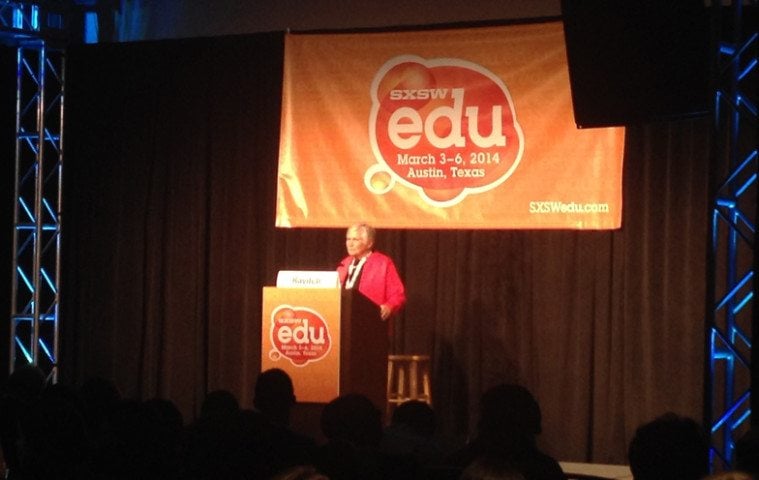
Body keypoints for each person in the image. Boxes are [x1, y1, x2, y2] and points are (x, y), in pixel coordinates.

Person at [336, 223, 406, 321]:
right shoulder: (344, 263)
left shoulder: (383, 263)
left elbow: (398, 294)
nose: (350, 244)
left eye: (355, 240)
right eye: (348, 239)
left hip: (371, 322)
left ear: (369, 243)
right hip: (343, 321)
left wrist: (389, 306)